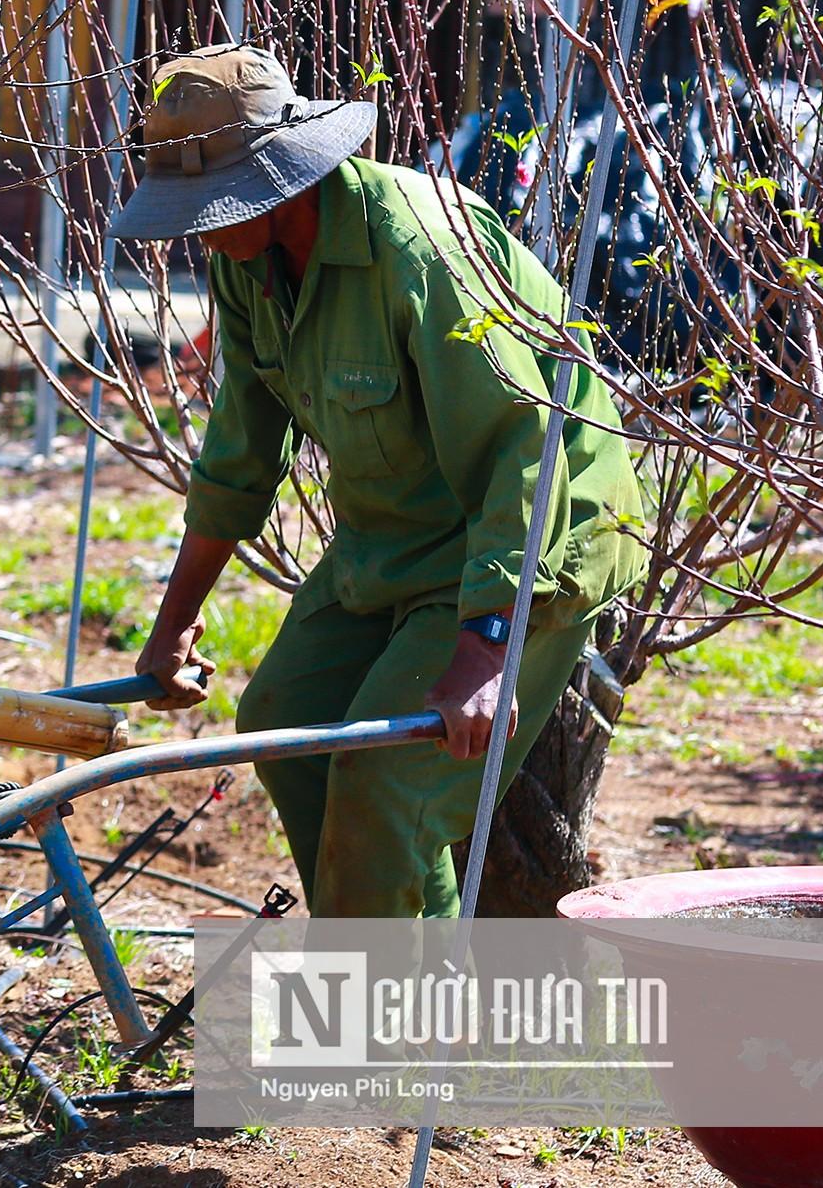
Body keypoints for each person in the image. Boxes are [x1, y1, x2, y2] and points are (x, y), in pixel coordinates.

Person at [116, 45, 644, 919]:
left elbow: (524, 445)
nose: (196, 229)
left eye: (208, 205)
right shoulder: (245, 262)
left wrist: (486, 651)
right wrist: (171, 629)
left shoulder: (419, 250)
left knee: (385, 788)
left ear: (279, 178)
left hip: (531, 540)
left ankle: (397, 1039)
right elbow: (238, 460)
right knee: (283, 721)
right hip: (396, 541)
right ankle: (397, 973)